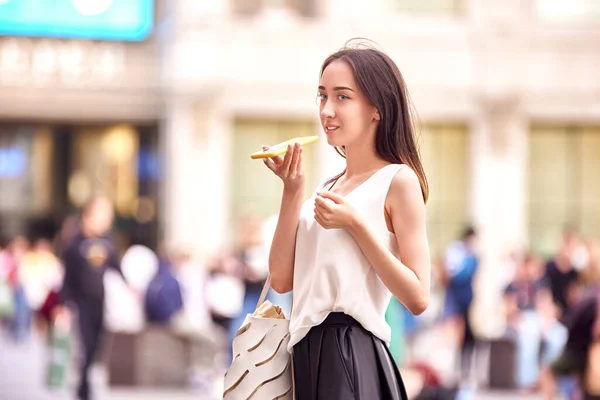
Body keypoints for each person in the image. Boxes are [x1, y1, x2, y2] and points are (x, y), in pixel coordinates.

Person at [262, 40, 431, 399]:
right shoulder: (326, 187)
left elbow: (418, 296)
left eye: (342, 97)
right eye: (322, 96)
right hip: (305, 352)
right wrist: (292, 190)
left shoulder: (398, 181)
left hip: (351, 352)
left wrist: (356, 225)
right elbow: (280, 278)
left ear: (376, 109)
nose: (327, 110)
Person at [55, 197, 126, 400]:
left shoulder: (109, 242)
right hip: (80, 307)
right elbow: (67, 280)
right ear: (89, 216)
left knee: (96, 349)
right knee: (83, 350)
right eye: (104, 215)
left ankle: (85, 385)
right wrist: (62, 306)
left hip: (102, 306)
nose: (107, 221)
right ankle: (83, 391)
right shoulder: (74, 245)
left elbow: (117, 269)